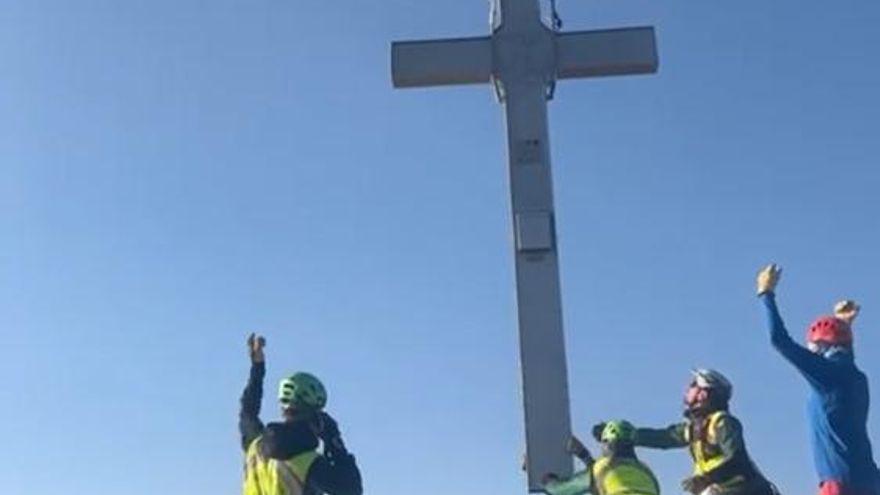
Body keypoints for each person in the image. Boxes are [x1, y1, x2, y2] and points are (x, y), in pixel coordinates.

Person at [757, 264, 880, 495]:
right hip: (869, 481)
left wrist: (766, 294)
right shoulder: (856, 377)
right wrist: (842, 324)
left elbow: (779, 340)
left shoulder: (828, 376)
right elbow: (842, 354)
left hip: (840, 483)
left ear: (821, 346)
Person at [597, 370, 776, 495]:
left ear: (703, 394)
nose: (687, 389)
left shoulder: (723, 422)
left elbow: (738, 459)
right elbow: (664, 437)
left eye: (693, 385)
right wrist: (620, 435)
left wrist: (707, 478)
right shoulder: (695, 428)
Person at [240, 334, 363, 495]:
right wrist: (333, 439)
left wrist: (257, 368)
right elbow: (352, 489)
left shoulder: (255, 447)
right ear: (314, 416)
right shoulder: (309, 463)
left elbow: (248, 411)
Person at [542, 420, 660, 495]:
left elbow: (562, 490)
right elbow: (602, 482)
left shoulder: (602, 467)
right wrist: (583, 454)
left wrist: (546, 480)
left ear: (607, 443)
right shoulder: (646, 471)